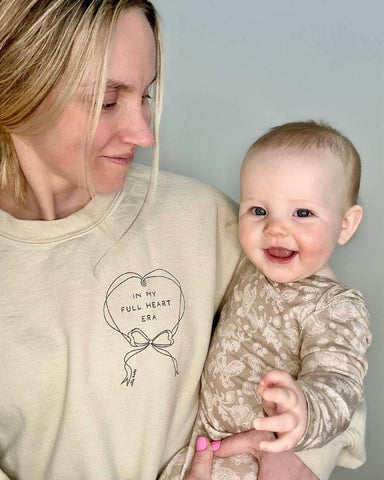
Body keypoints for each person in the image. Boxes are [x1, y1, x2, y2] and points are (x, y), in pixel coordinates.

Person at [0, 1, 367, 479]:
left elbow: (327, 342)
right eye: (108, 100)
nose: (144, 134)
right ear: (16, 90)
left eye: (145, 95)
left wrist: (291, 458)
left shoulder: (203, 217)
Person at [161, 121, 371, 480]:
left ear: (346, 225)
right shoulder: (250, 268)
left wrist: (305, 409)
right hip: (201, 450)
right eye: (258, 210)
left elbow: (340, 381)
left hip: (260, 463)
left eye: (302, 213)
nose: (275, 228)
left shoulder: (334, 306)